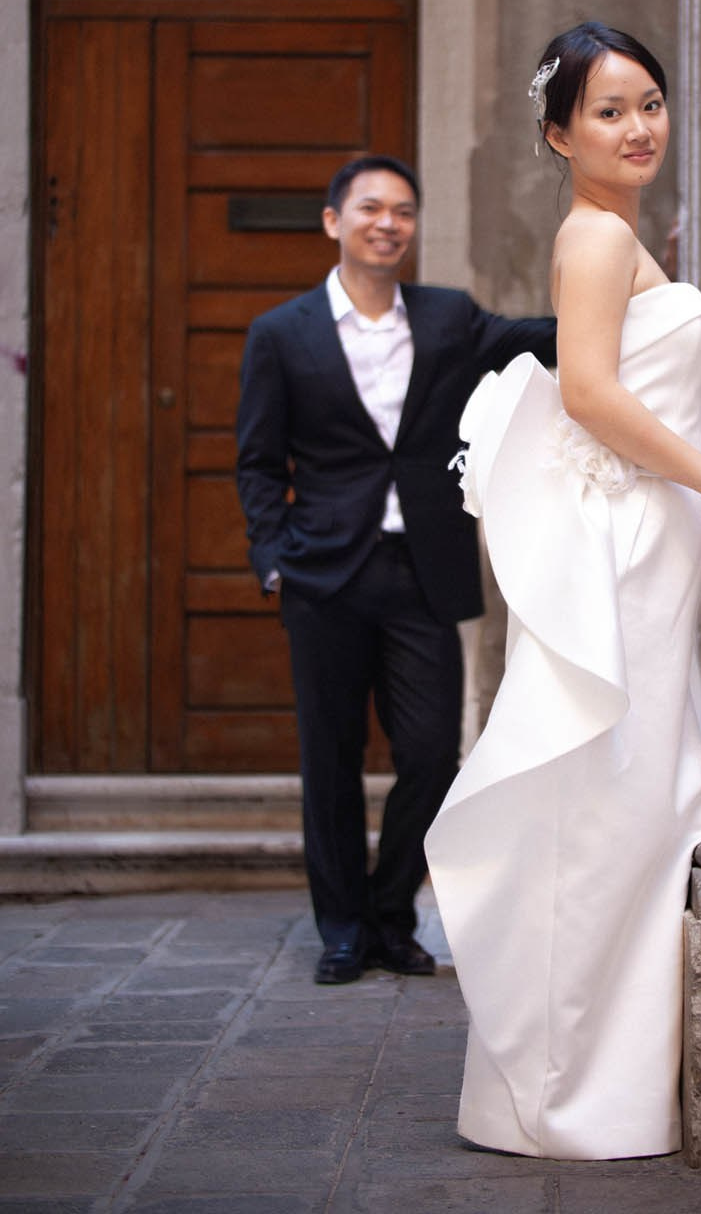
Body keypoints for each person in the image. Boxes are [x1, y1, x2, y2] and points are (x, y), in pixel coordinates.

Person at [426, 24, 701, 1159]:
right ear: (559, 135)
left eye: (650, 103)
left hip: (653, 546)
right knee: (613, 810)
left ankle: (606, 1087)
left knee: (647, 803)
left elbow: (663, 396)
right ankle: (568, 1093)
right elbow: (589, 394)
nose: (638, 127)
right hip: (625, 550)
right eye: (607, 111)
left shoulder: (624, 234)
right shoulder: (591, 237)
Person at [235, 155, 556, 987]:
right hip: (323, 576)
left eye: (404, 211)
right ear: (333, 221)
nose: (389, 223)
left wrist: (637, 289)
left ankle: (392, 913)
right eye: (371, 208)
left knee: (430, 753)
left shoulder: (447, 317)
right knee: (331, 759)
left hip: (422, 570)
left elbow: (540, 339)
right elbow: (259, 462)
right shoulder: (281, 333)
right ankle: (344, 930)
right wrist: (273, 558)